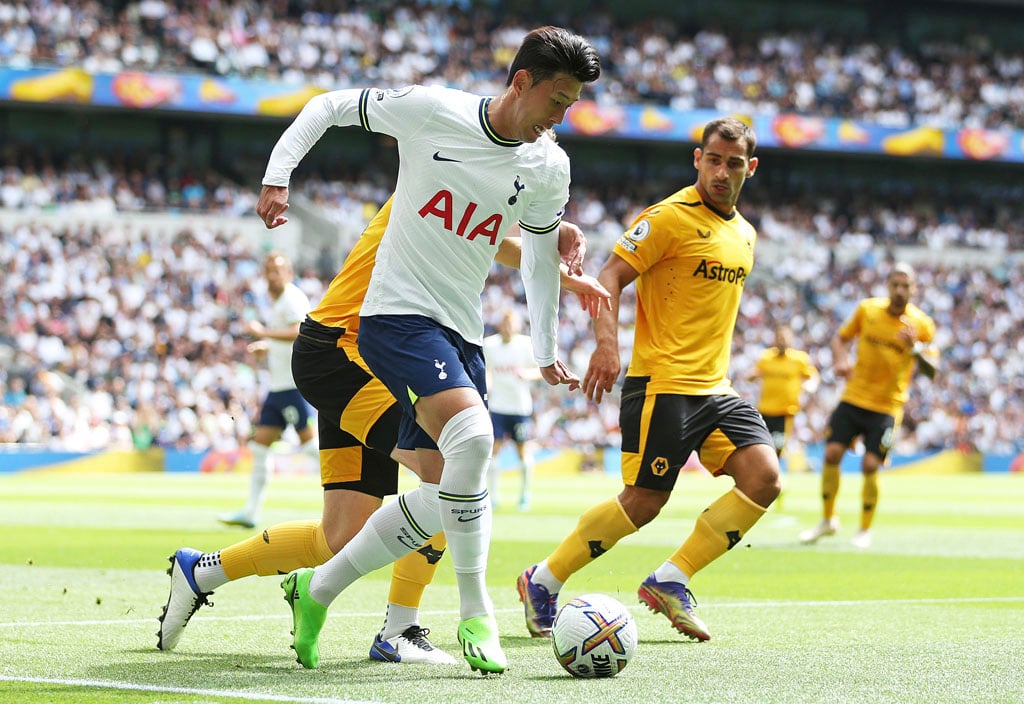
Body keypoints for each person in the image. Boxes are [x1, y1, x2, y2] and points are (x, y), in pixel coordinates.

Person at [256, 26, 601, 675]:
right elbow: (329, 104)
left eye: (572, 104)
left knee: (457, 485)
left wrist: (549, 347)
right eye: (557, 99)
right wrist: (279, 177)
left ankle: (318, 588)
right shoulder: (432, 111)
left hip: (457, 331)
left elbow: (535, 261)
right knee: (474, 441)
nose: (562, 116)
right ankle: (478, 616)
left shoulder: (548, 166)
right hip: (391, 318)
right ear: (520, 82)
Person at [157, 197, 609, 664]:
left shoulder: (463, 181)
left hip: (361, 356)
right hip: (349, 352)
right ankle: (399, 628)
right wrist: (549, 241)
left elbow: (488, 237)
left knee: (339, 536)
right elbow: (490, 231)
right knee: (452, 474)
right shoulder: (439, 165)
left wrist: (555, 265)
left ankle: (201, 572)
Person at [517, 116, 781, 644]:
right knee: (644, 502)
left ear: (750, 168)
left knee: (764, 479)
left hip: (716, 389)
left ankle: (670, 579)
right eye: (713, 159)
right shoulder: (667, 217)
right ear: (697, 159)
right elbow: (610, 277)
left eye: (733, 163)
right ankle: (543, 579)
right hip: (662, 384)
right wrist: (608, 345)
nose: (722, 171)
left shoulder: (745, 234)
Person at [798, 263, 937, 549]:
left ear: (914, 289)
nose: (900, 291)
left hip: (887, 406)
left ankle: (864, 529)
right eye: (895, 284)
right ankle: (827, 519)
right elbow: (841, 337)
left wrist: (915, 349)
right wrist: (840, 360)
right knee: (832, 453)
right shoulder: (867, 310)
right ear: (888, 286)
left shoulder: (921, 325)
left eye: (906, 286)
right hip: (853, 397)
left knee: (870, 464)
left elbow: (932, 370)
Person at [219, 251, 319, 529]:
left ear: (288, 272)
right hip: (278, 387)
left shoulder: (292, 297)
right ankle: (251, 511)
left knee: (310, 446)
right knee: (260, 447)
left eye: (277, 270)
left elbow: (301, 330)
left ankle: (352, 488)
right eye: (268, 270)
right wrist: (268, 346)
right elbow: (286, 337)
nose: (272, 275)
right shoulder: (277, 302)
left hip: (291, 385)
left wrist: (263, 333)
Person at [483, 310, 540, 511]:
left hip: (520, 408)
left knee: (523, 451)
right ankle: (493, 497)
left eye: (511, 323)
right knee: (494, 451)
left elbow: (541, 370)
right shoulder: (489, 345)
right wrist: (487, 385)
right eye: (505, 323)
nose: (508, 327)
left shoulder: (526, 345)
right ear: (500, 325)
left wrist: (527, 375)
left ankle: (525, 495)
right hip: (498, 407)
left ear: (517, 326)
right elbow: (486, 370)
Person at [747, 323, 819, 461]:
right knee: (761, 445)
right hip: (765, 410)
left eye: (785, 337)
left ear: (791, 339)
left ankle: (771, 476)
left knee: (777, 447)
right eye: (779, 337)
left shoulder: (799, 359)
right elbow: (755, 373)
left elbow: (813, 376)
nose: (782, 340)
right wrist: (749, 376)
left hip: (785, 412)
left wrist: (811, 385)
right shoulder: (766, 357)